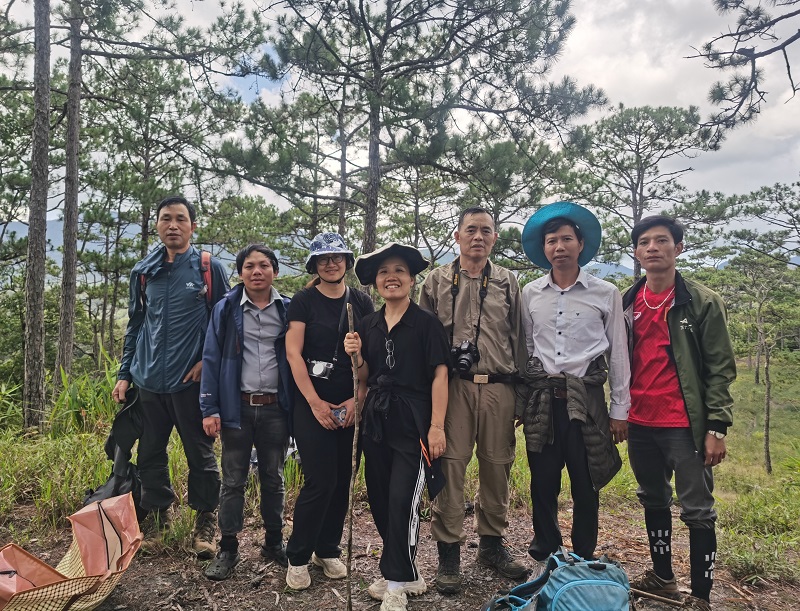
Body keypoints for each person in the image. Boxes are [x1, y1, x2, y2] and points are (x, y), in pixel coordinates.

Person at [624, 216, 735, 611]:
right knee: (653, 498)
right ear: (636, 252)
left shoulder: (701, 302)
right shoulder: (627, 300)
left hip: (684, 425)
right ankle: (663, 577)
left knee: (697, 510)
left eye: (662, 240)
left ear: (678, 248)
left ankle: (700, 596)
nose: (653, 248)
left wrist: (716, 427)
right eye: (645, 242)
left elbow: (720, 367)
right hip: (640, 421)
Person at [111, 195, 229, 558]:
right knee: (150, 453)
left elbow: (225, 323)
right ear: (157, 225)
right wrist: (125, 374)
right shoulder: (144, 271)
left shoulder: (208, 268)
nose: (173, 225)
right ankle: (160, 519)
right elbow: (135, 324)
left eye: (180, 219)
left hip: (189, 382)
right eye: (166, 219)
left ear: (193, 226)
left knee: (200, 453)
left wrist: (207, 363)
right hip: (148, 380)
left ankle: (205, 523)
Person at [419, 207, 529, 594]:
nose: (478, 237)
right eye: (471, 230)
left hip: (500, 385)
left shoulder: (507, 281)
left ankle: (491, 545)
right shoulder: (435, 281)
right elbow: (423, 341)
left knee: (498, 466)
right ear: (457, 236)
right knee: (450, 466)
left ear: (495, 238)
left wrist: (522, 395)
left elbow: (520, 337)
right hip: (453, 388)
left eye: (485, 230)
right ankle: (449, 552)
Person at [519, 201, 630, 564]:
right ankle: (545, 548)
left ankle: (583, 552)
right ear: (544, 248)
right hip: (543, 398)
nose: (559, 247)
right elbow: (527, 349)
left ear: (581, 244)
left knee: (586, 480)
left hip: (587, 398)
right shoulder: (530, 293)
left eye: (567, 239)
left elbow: (617, 353)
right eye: (552, 241)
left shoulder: (605, 292)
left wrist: (620, 410)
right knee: (543, 479)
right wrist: (523, 400)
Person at [344, 242, 450, 611]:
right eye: (384, 272)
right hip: (377, 420)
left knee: (403, 500)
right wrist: (356, 355)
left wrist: (437, 427)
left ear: (411, 279)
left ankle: (395, 584)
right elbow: (364, 377)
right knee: (379, 498)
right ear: (375, 282)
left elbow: (440, 376)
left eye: (399, 271)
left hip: (413, 421)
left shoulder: (426, 324)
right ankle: (408, 573)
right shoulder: (368, 325)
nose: (392, 277)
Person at [283, 232, 374, 590]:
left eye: (337, 257)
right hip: (312, 404)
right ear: (315, 265)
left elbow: (371, 354)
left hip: (352, 402)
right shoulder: (304, 301)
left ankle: (327, 549)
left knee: (342, 480)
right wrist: (315, 403)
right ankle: (298, 556)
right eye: (324, 258)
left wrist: (357, 399)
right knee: (320, 481)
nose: (331, 263)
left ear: (347, 262)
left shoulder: (361, 301)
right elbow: (294, 354)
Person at [199, 244, 293, 580]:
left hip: (276, 408)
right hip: (236, 407)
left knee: (274, 478)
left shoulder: (288, 309)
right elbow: (211, 357)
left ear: (275, 271)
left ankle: (274, 542)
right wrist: (210, 408)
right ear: (240, 273)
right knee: (233, 480)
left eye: (264, 265)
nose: (257, 271)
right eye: (249, 266)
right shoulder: (226, 308)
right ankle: (228, 548)